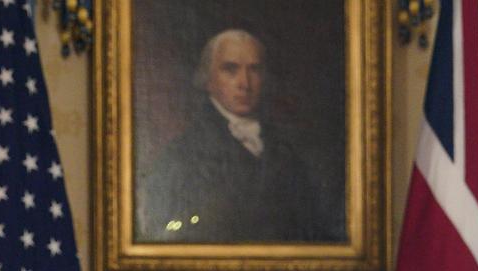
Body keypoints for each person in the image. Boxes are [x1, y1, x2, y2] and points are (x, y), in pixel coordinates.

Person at [137, 27, 341, 244]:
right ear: (208, 79)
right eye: (230, 69)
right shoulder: (180, 155)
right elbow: (169, 230)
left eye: (254, 70)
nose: (244, 83)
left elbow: (312, 229)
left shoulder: (289, 150)